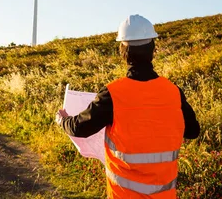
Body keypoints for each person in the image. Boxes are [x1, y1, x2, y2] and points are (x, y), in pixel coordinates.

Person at [56, 15, 200, 198]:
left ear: (123, 52)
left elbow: (79, 127)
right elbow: (193, 131)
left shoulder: (112, 94)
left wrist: (63, 120)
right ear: (153, 50)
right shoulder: (173, 92)